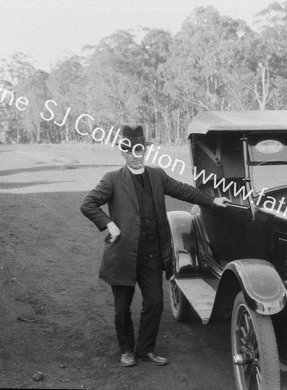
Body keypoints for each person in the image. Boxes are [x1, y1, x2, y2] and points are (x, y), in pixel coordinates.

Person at [80, 125, 229, 367]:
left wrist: (212, 201)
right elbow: (88, 204)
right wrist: (109, 224)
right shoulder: (113, 180)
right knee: (122, 309)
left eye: (140, 151)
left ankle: (145, 349)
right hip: (122, 256)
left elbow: (183, 191)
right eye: (130, 152)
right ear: (123, 153)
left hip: (151, 254)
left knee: (155, 303)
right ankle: (127, 350)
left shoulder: (157, 176)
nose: (136, 156)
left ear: (145, 152)